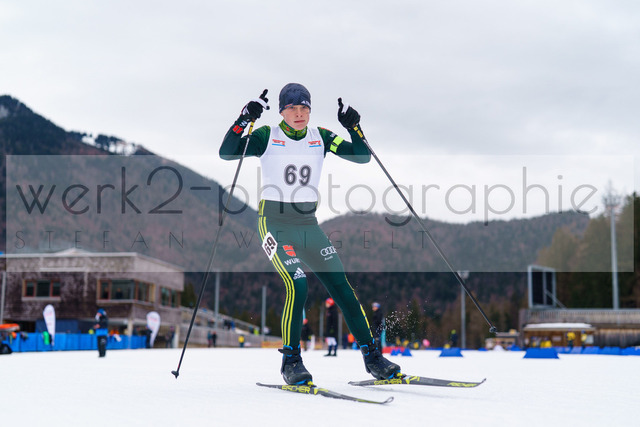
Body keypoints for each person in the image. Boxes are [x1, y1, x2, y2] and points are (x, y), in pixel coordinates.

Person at [219, 83, 401, 385]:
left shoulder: (321, 136)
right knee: (298, 283)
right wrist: (244, 119)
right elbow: (227, 152)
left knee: (342, 287)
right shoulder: (266, 135)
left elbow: (361, 156)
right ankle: (291, 361)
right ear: (281, 111)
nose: (299, 113)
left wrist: (354, 127)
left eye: (304, 108)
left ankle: (373, 358)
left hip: (307, 224)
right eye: (292, 108)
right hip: (274, 223)